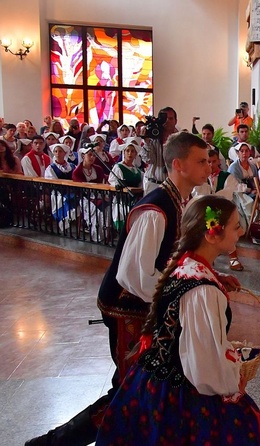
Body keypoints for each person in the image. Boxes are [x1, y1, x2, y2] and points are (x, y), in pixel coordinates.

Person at [24, 133, 235, 446]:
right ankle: (52, 443)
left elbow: (176, 258)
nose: (209, 165)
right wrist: (187, 292)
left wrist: (208, 274)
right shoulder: (156, 209)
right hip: (126, 306)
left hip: (145, 305)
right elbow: (133, 275)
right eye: (201, 161)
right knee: (128, 389)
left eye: (209, 160)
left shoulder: (181, 200)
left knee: (142, 386)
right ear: (178, 165)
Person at [95, 195, 260, 445]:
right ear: (212, 234)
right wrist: (233, 377)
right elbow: (203, 366)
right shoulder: (204, 290)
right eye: (235, 226)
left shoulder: (186, 265)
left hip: (152, 380)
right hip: (179, 393)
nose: (240, 231)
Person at [193, 148, 245, 271]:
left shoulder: (227, 176)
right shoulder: (201, 178)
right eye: (208, 162)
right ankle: (207, 259)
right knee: (204, 234)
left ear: (218, 161)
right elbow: (198, 194)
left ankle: (233, 257)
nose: (211, 165)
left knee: (226, 232)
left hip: (222, 210)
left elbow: (229, 192)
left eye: (213, 161)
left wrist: (213, 197)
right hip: (205, 211)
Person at [140, 106, 180, 194]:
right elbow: (149, 160)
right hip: (153, 183)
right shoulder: (152, 137)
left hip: (173, 184)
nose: (167, 121)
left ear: (175, 121)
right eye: (164, 118)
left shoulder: (180, 139)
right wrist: (146, 141)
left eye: (170, 118)